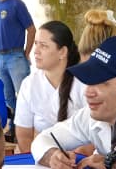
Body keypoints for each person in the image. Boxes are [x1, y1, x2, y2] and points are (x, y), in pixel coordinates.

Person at [30, 35, 116, 169]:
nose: (88, 92)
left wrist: (112, 164)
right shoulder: (90, 116)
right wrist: (53, 156)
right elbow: (43, 139)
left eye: (102, 83)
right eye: (89, 81)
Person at [13, 20, 85, 153]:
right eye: (36, 44)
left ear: (62, 52)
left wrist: (70, 160)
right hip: (40, 158)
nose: (36, 51)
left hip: (79, 159)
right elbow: (24, 136)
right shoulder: (29, 84)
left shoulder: (84, 83)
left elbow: (95, 134)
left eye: (44, 46)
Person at [0, 0, 35, 121]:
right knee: (7, 97)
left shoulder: (17, 4)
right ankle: (14, 128)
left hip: (15, 57)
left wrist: (26, 53)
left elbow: (31, 29)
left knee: (24, 96)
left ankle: (30, 128)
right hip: (0, 57)